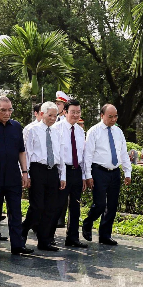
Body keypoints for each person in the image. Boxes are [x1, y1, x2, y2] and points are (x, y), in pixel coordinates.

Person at [0, 96, 34, 255]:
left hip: (13, 175)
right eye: (3, 110)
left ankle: (17, 245)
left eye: (10, 110)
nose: (7, 113)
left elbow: (21, 151)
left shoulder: (16, 126)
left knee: (16, 211)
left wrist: (25, 172)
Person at [82, 105, 132, 246]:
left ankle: (105, 235)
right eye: (110, 116)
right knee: (99, 204)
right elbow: (88, 155)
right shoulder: (94, 131)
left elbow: (123, 153)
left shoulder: (118, 132)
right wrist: (88, 175)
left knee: (112, 205)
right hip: (99, 171)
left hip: (114, 172)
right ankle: (88, 222)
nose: (113, 119)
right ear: (102, 115)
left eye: (115, 116)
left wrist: (127, 172)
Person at [22, 101, 66, 251]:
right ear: (42, 114)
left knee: (51, 208)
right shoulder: (32, 130)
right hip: (37, 170)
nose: (53, 118)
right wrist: (25, 173)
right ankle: (23, 231)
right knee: (37, 206)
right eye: (50, 115)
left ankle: (44, 240)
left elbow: (61, 155)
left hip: (52, 171)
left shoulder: (57, 132)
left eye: (55, 115)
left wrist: (62, 176)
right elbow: (26, 153)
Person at [57, 98, 87, 247]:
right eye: (73, 112)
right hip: (63, 171)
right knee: (57, 205)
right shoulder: (57, 128)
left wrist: (84, 176)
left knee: (75, 207)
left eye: (78, 112)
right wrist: (61, 175)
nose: (76, 115)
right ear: (65, 112)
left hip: (76, 172)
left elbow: (83, 156)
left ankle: (73, 238)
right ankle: (48, 237)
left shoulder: (80, 131)